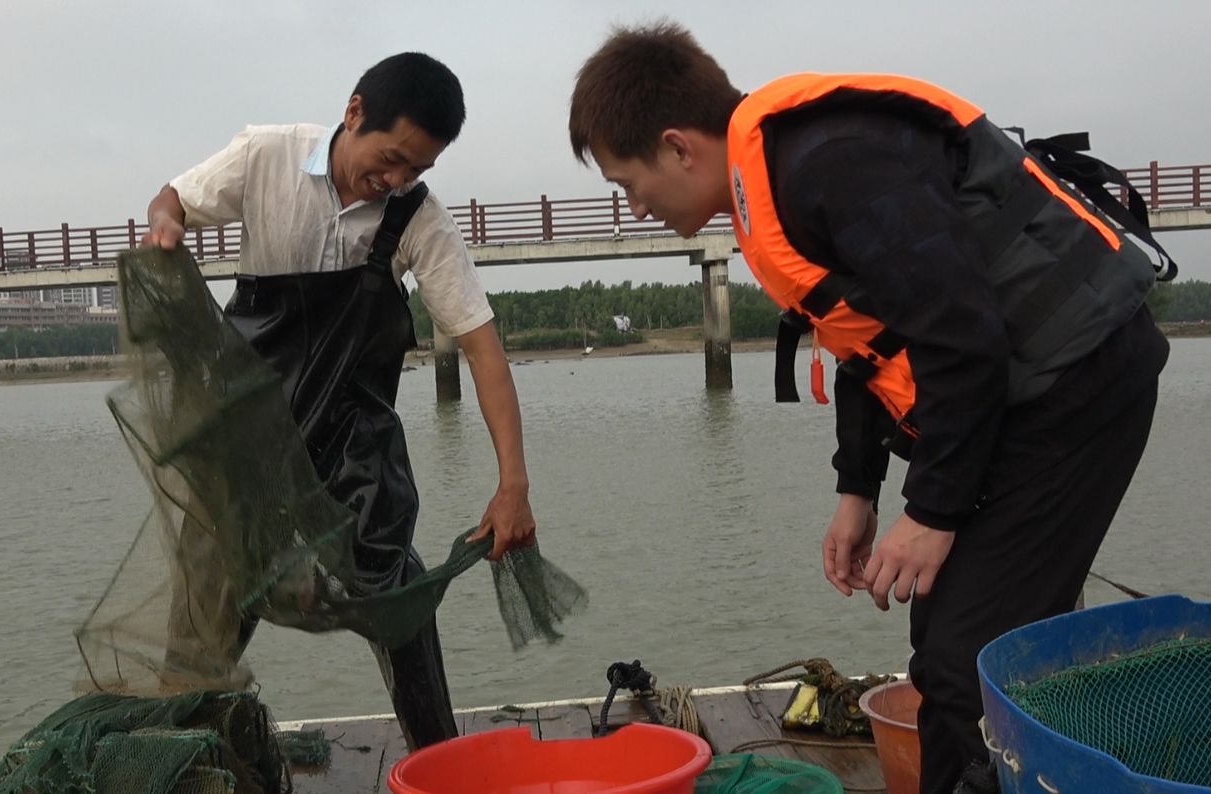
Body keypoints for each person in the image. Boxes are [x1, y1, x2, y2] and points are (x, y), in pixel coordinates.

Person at [569, 22, 1171, 793]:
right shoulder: (775, 178)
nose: (636, 208)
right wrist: (857, 489)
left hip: (1079, 388)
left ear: (678, 147)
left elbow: (962, 335)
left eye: (627, 184)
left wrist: (932, 512)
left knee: (965, 660)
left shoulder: (832, 164)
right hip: (1013, 398)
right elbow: (868, 343)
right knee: (946, 637)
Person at [142, 52, 537, 750]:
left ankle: (436, 757)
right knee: (209, 605)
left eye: (417, 169)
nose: (396, 179)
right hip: (247, 424)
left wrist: (513, 483)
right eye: (389, 159)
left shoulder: (416, 217)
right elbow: (172, 198)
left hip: (351, 438)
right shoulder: (266, 155)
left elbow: (481, 345)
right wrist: (165, 225)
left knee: (396, 594)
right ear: (354, 112)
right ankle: (187, 756)